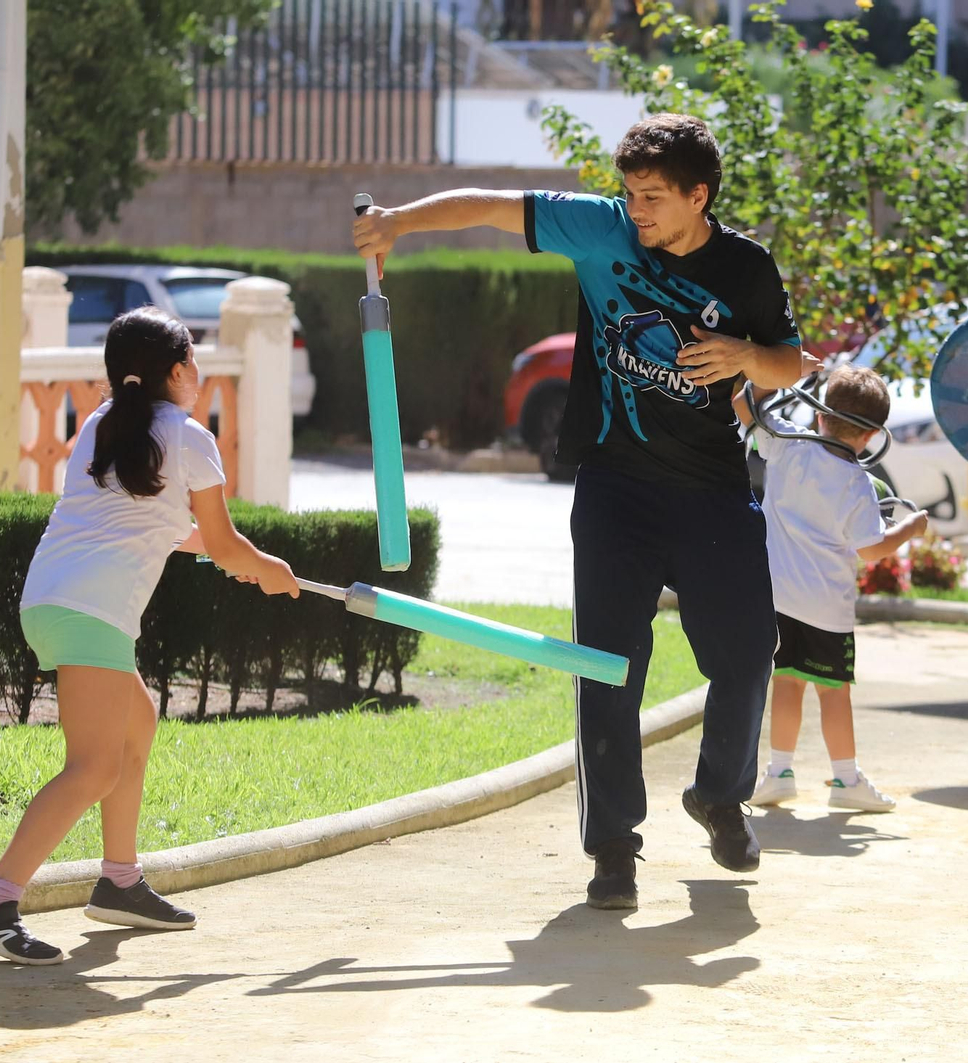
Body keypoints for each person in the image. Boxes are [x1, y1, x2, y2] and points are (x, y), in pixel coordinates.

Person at [353, 114, 817, 910]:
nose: (636, 209)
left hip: (711, 488)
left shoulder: (745, 267)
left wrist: (743, 357)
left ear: (698, 196)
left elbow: (791, 360)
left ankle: (719, 796)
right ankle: (612, 849)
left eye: (653, 197)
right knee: (606, 669)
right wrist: (399, 222)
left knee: (748, 654)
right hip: (616, 491)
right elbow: (490, 206)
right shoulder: (601, 229)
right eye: (630, 192)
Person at [0, 307, 299, 965]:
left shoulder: (102, 428)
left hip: (56, 598)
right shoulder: (191, 436)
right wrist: (262, 566)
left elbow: (160, 526)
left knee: (136, 721)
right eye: (192, 357)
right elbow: (221, 542)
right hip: (90, 609)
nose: (198, 368)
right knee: (95, 765)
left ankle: (120, 880)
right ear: (175, 370)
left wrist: (243, 562)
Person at [734, 366, 927, 814]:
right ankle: (846, 778)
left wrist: (781, 372)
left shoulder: (788, 444)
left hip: (778, 600)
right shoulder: (858, 484)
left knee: (786, 683)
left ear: (822, 414)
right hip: (826, 609)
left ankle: (778, 772)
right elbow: (873, 549)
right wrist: (909, 530)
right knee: (833, 691)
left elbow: (742, 403)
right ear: (873, 434)